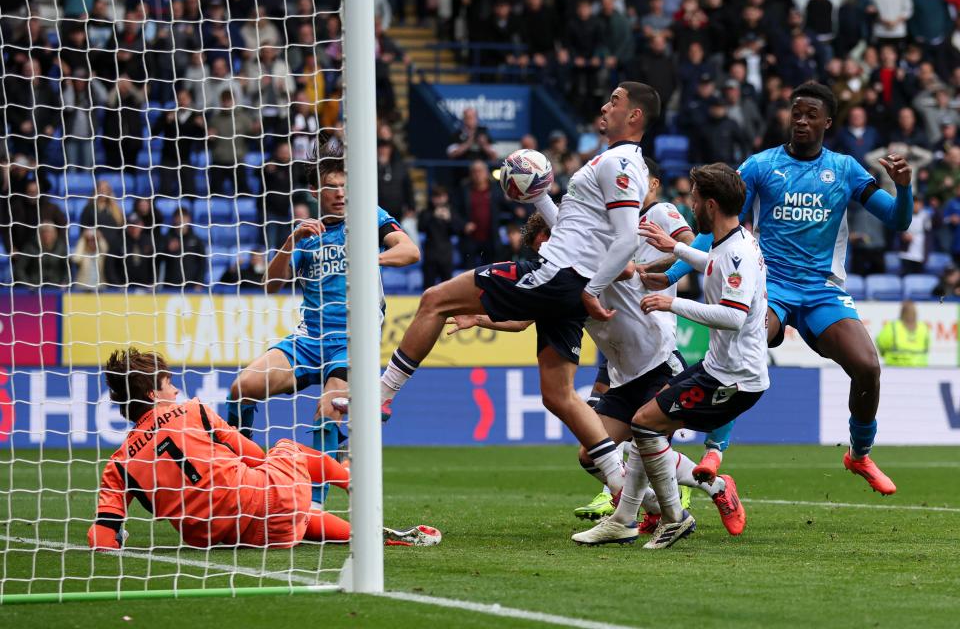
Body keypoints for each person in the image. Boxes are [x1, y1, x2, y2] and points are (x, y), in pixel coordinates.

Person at [378, 83, 661, 499]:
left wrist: (593, 290)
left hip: (559, 274)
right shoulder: (614, 161)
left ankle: (381, 396)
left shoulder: (619, 163)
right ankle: (625, 489)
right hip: (570, 279)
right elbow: (575, 225)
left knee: (435, 300)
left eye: (615, 101)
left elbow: (624, 240)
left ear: (634, 116)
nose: (605, 105)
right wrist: (540, 196)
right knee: (559, 395)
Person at [657, 82, 915, 495]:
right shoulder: (761, 166)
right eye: (796, 112)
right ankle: (714, 451)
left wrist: (903, 188)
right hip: (769, 285)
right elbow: (720, 227)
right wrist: (671, 275)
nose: (800, 120)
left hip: (822, 291)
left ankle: (859, 454)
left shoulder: (846, 170)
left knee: (867, 366)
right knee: (746, 344)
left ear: (827, 122)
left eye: (810, 114)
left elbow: (899, 221)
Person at [574, 162, 767, 549]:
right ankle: (631, 517)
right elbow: (710, 264)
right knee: (647, 428)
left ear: (709, 205)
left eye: (695, 197)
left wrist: (670, 304)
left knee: (646, 426)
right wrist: (675, 249)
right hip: (717, 368)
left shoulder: (738, 253)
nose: (691, 203)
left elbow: (732, 316)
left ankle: (668, 518)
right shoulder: (729, 244)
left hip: (734, 379)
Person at [226, 137, 419, 507]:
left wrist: (371, 259)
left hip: (352, 339)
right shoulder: (306, 236)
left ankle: (314, 505)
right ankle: (238, 476)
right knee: (241, 388)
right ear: (316, 191)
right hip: (309, 338)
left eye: (346, 186)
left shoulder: (368, 218)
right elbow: (270, 285)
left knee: (327, 411)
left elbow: (410, 250)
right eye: (332, 188)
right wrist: (291, 239)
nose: (341, 194)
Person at [87, 348, 439, 550]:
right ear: (153, 395)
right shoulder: (194, 410)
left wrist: (114, 537)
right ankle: (351, 482)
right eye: (169, 384)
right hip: (267, 508)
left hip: (211, 537)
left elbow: (100, 535)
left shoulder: (119, 464)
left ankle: (365, 532)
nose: (177, 390)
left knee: (282, 510)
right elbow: (255, 456)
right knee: (284, 451)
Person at [875, 300, 930, 366]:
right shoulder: (923, 328)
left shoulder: (892, 327)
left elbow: (880, 345)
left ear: (901, 312)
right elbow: (927, 349)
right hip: (921, 371)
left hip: (895, 370)